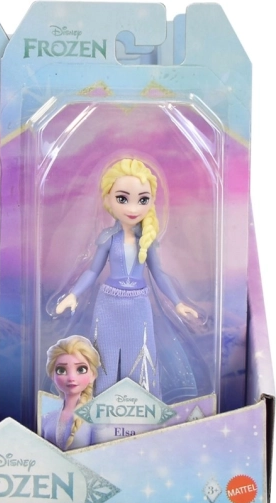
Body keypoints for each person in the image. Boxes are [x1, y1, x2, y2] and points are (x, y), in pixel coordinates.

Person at [55, 158, 198, 401]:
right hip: (108, 304)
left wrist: (178, 303)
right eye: (122, 198)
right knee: (105, 356)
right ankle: (102, 402)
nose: (133, 207)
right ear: (108, 199)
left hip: (138, 306)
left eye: (143, 199)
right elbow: (92, 271)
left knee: (140, 354)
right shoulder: (108, 238)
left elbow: (159, 274)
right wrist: (72, 295)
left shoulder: (147, 240)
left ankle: (141, 403)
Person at [41, 335, 100, 450]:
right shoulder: (46, 418)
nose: (71, 378)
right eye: (61, 370)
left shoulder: (98, 419)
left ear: (92, 375)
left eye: (81, 369)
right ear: (52, 375)